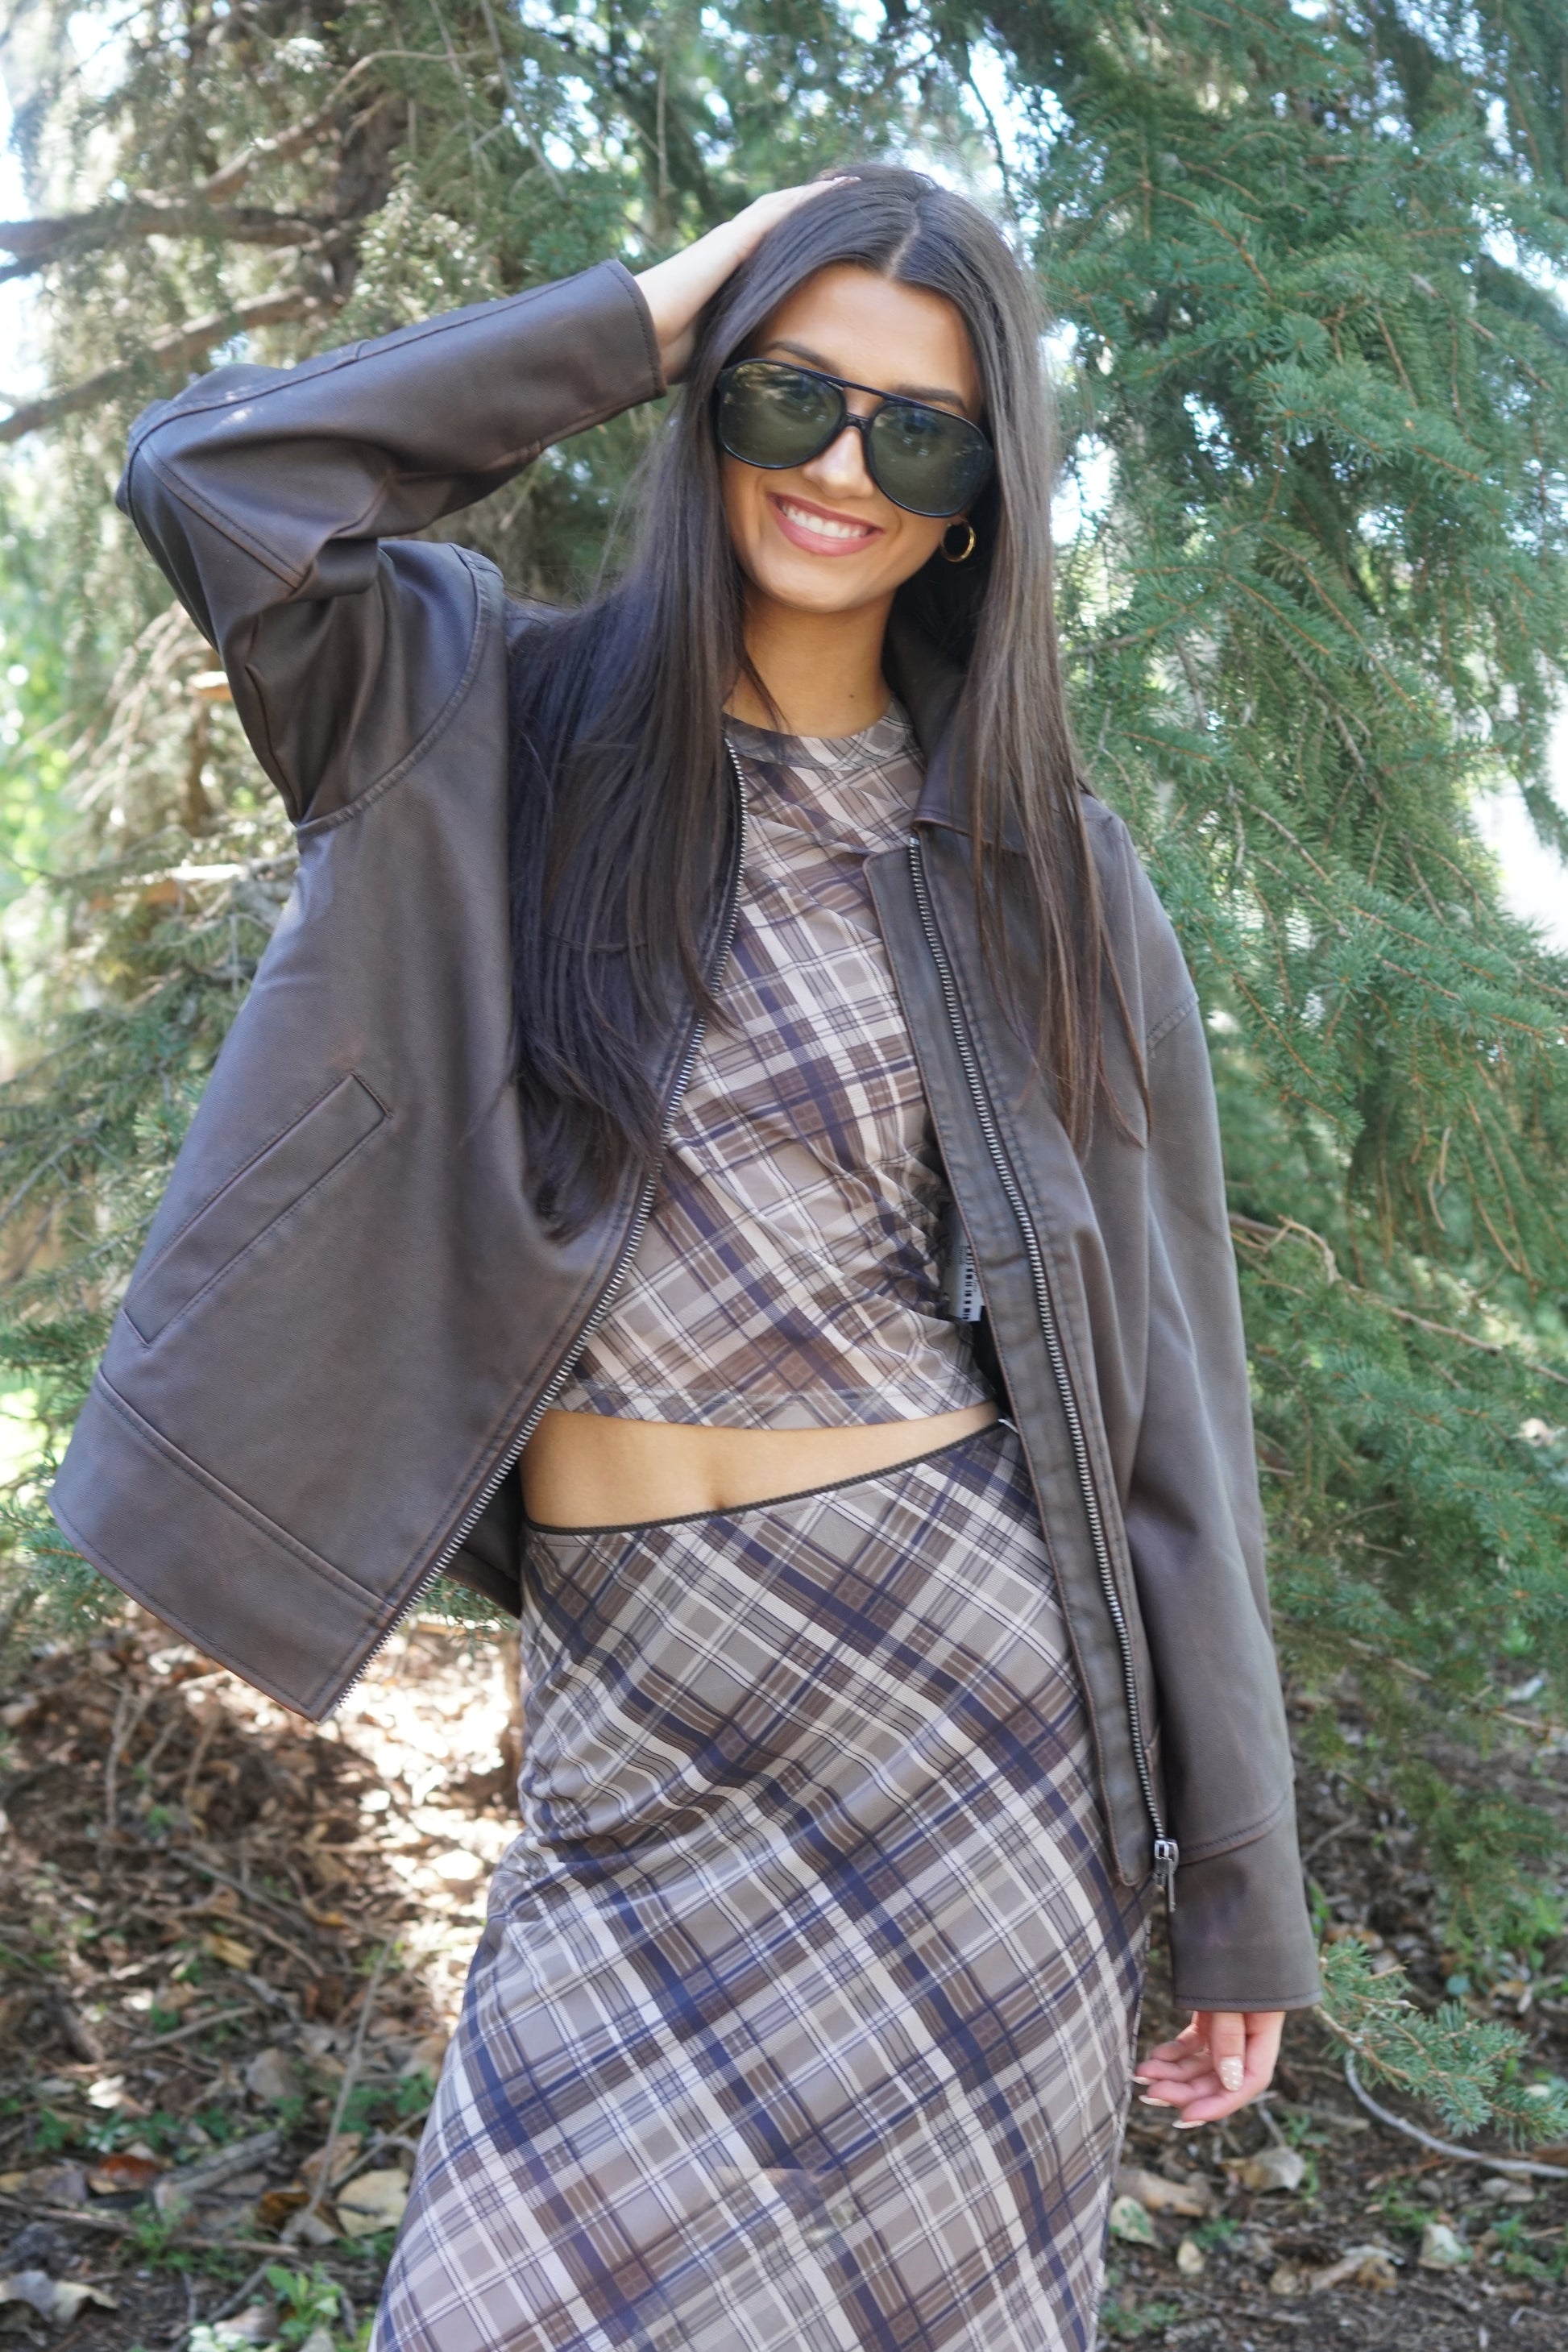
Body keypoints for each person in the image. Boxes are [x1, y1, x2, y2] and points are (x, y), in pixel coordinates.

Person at [50, 164, 1319, 2348]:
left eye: (920, 434)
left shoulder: (1048, 870)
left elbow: (1169, 1394)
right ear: (709, 404)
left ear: (981, 504)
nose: (845, 468)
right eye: (789, 395)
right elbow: (218, 481)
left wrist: (1239, 1893)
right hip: (633, 1740)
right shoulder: (476, 712)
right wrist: (650, 311)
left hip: (966, 1734)